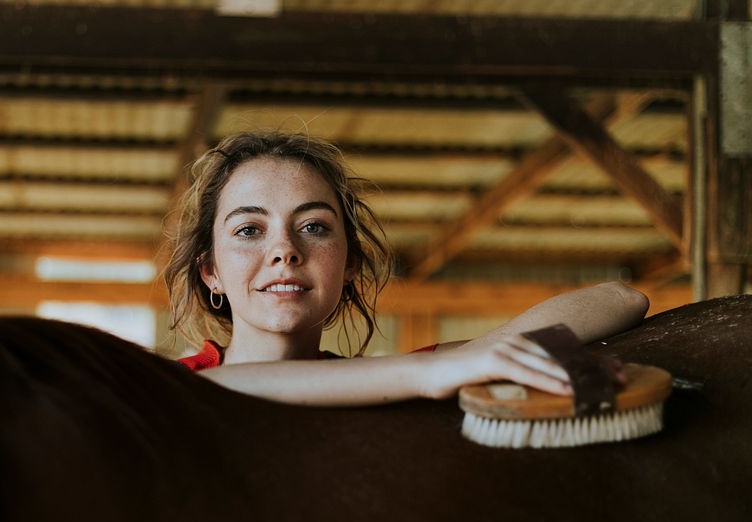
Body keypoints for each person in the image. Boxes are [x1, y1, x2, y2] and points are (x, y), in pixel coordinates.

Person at [163, 131, 649, 406]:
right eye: (249, 230)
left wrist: (485, 351)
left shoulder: (395, 377)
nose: (284, 250)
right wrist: (432, 370)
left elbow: (623, 300)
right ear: (211, 273)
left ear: (350, 263)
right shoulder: (167, 388)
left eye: (313, 227)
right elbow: (224, 387)